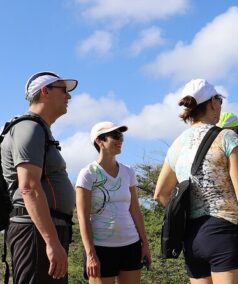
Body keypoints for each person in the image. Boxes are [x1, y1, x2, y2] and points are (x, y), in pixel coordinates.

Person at [154, 79, 238, 284]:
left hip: (193, 237)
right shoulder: (226, 137)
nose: (221, 104)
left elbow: (161, 194)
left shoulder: (177, 144)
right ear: (213, 102)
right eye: (220, 100)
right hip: (226, 231)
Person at [1, 71, 78, 283]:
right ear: (45, 91)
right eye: (63, 90)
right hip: (35, 231)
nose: (68, 97)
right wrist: (52, 242)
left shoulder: (40, 130)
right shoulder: (29, 127)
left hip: (45, 230)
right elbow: (29, 187)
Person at [75, 121, 152, 284]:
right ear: (99, 141)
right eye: (115, 136)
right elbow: (82, 216)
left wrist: (145, 244)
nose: (120, 140)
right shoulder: (88, 174)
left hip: (131, 244)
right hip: (101, 248)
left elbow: (135, 211)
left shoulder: (128, 172)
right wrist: (90, 254)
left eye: (121, 135)